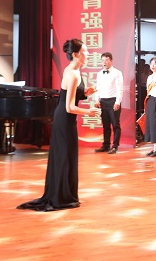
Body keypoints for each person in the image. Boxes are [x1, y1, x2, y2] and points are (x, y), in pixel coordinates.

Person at [18, 39, 98, 211]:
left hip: (65, 118)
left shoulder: (73, 70)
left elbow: (70, 96)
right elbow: (69, 107)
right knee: (65, 157)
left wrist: (85, 94)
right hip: (64, 119)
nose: (88, 53)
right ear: (75, 54)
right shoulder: (73, 74)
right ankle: (62, 197)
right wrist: (89, 112)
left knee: (66, 156)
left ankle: (63, 195)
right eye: (85, 51)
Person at [95, 52, 124, 154]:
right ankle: (106, 145)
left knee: (115, 124)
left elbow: (120, 88)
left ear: (111, 61)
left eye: (106, 60)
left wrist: (118, 102)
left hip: (113, 100)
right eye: (103, 60)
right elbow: (98, 88)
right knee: (105, 125)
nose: (104, 62)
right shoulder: (99, 74)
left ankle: (115, 146)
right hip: (103, 101)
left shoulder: (117, 73)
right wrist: (97, 100)